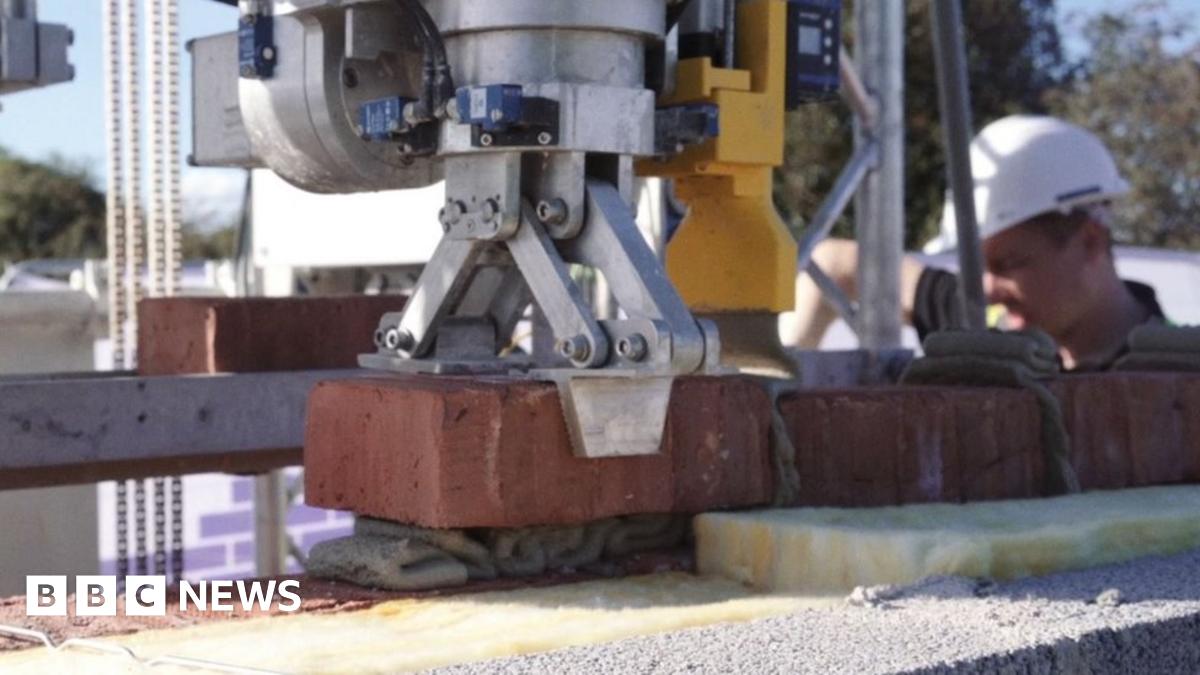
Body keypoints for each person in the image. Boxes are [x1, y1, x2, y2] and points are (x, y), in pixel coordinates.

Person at [780, 115, 1167, 371]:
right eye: (976, 264)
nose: (985, 289)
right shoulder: (987, 331)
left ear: (1089, 243)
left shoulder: (1174, 374)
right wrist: (777, 384)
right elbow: (832, 265)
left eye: (1008, 263)